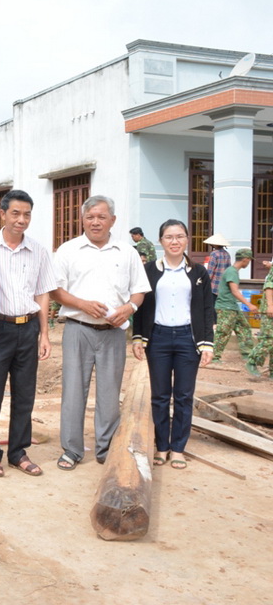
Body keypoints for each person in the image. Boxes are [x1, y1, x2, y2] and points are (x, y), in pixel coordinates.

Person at [51, 195, 150, 471]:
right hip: (77, 329)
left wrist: (129, 308)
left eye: (102, 217)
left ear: (113, 220)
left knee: (109, 392)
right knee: (73, 390)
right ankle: (71, 449)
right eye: (90, 217)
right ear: (82, 219)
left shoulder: (127, 252)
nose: (96, 222)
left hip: (113, 332)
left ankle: (105, 448)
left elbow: (139, 290)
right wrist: (81, 304)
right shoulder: (68, 250)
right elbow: (56, 290)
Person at [0, 190, 56, 478]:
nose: (21, 220)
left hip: (28, 328)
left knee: (25, 395)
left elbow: (43, 292)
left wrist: (44, 333)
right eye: (15, 213)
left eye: (26, 214)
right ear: (2, 213)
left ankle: (18, 453)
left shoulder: (38, 250)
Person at [132, 220, 213, 470]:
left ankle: (178, 448)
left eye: (179, 236)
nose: (174, 241)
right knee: (159, 396)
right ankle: (162, 446)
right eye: (169, 237)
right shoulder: (149, 270)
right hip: (158, 339)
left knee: (184, 396)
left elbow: (207, 308)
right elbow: (141, 306)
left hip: (188, 340)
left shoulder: (199, 272)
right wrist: (138, 337)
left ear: (187, 240)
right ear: (161, 241)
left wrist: (207, 343)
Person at [213, 248, 257, 363]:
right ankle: (214, 357)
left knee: (244, 328)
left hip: (233, 307)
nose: (249, 263)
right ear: (245, 259)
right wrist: (249, 305)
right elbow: (235, 291)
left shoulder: (233, 271)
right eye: (249, 260)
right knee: (223, 332)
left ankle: (247, 354)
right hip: (226, 307)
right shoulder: (231, 272)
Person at [245, 265, 273, 378]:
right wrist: (271, 305)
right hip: (271, 310)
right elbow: (269, 286)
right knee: (269, 339)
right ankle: (252, 361)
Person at [205, 234, 231, 307]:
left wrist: (205, 283)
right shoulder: (227, 254)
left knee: (212, 307)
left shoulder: (214, 254)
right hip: (223, 286)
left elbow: (210, 271)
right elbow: (229, 269)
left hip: (214, 286)